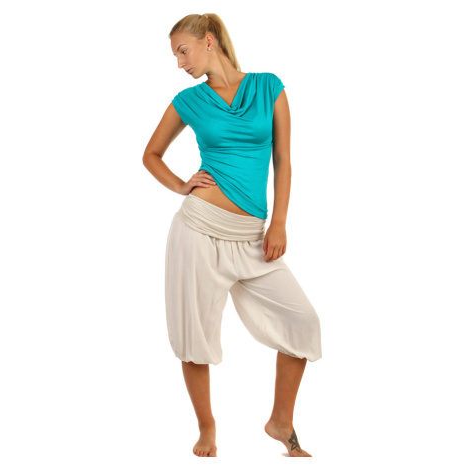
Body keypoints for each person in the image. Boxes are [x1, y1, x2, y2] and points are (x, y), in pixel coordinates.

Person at [143, 13, 322, 458]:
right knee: (195, 336)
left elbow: (283, 159)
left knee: (302, 322)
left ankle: (281, 421)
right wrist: (182, 184)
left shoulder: (268, 87)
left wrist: (279, 222)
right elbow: (151, 154)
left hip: (253, 236)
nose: (179, 63)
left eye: (183, 51)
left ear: (209, 41)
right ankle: (207, 428)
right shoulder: (189, 101)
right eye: (175, 56)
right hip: (198, 229)